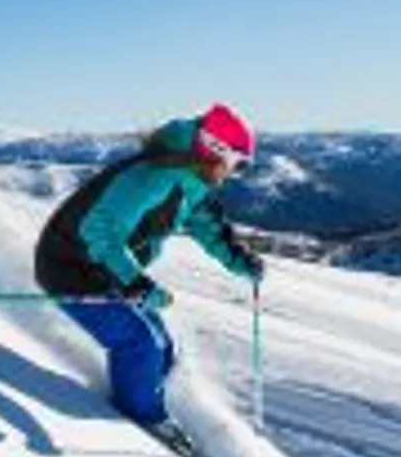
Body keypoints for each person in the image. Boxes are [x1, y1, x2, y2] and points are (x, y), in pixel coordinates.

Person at [34, 104, 265, 425]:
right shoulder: (153, 176)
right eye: (236, 164)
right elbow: (99, 231)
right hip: (70, 266)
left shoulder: (190, 180)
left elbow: (207, 226)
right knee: (141, 341)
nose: (234, 173)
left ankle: (151, 405)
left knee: (162, 344)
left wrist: (240, 261)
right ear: (216, 150)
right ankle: (140, 420)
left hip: (104, 267)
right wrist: (136, 283)